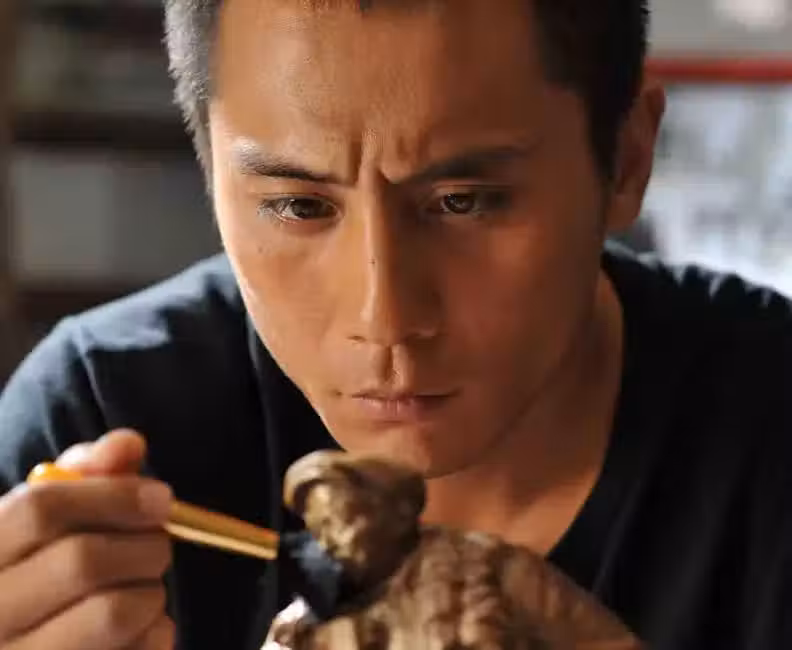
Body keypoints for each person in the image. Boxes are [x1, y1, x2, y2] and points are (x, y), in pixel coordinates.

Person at [0, 0, 790, 648]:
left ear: (626, 159)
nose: (385, 319)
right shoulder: (97, 429)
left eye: (463, 202)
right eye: (298, 205)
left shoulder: (771, 429)